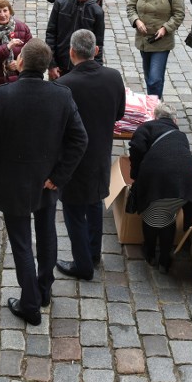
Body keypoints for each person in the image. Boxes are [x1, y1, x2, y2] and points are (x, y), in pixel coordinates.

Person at [0, 38, 88, 326]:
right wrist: (59, 176)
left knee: (21, 243)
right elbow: (80, 139)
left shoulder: (1, 96)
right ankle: (44, 290)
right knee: (46, 232)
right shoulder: (61, 95)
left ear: (21, 62)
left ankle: (30, 303)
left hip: (12, 182)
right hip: (46, 181)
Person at [56, 30, 126, 280]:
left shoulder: (63, 86)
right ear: (95, 51)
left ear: (71, 52)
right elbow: (119, 114)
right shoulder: (114, 77)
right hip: (100, 155)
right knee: (96, 204)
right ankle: (94, 253)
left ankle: (83, 264)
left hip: (73, 161)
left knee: (74, 212)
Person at [128, 102, 192, 273]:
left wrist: (135, 175)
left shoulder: (146, 128)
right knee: (168, 217)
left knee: (151, 218)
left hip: (158, 183)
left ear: (155, 117)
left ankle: (150, 253)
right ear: (174, 120)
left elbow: (136, 149)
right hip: (186, 187)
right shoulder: (180, 135)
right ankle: (164, 259)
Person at [126, 0, 184, 99]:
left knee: (155, 78)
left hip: (161, 42)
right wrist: (136, 21)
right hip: (144, 41)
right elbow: (131, 7)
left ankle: (153, 109)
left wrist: (165, 28)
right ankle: (157, 102)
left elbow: (179, 14)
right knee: (149, 77)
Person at [46, 0, 105, 79]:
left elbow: (98, 44)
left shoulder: (97, 12)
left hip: (83, 71)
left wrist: (96, 71)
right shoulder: (60, 3)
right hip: (59, 69)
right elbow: (51, 34)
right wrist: (51, 65)